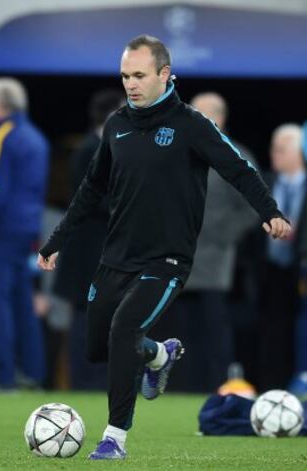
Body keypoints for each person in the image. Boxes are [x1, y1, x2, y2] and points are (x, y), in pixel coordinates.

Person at [37, 35, 290, 459]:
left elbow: (240, 169)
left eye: (138, 75)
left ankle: (114, 439)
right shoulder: (116, 124)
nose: (130, 84)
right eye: (124, 76)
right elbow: (90, 190)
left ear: (164, 75)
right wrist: (56, 241)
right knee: (98, 347)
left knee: (123, 331)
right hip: (116, 257)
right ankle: (157, 355)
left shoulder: (191, 124)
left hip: (167, 259)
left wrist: (271, 211)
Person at [156, 92, 259, 392]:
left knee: (214, 330)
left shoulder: (236, 155)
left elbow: (253, 207)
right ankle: (176, 388)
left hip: (214, 263)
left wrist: (220, 235)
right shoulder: (175, 150)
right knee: (176, 329)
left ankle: (216, 388)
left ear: (220, 118)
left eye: (201, 114)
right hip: (174, 259)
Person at [0, 78, 49, 391]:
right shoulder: (36, 138)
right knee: (21, 302)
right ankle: (32, 373)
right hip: (26, 231)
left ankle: (4, 377)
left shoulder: (3, 135)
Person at [52, 88, 125, 389]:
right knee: (85, 317)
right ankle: (84, 381)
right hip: (86, 253)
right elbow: (89, 199)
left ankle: (100, 379)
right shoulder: (88, 150)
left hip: (103, 249)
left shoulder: (109, 146)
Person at [257, 124, 307, 391]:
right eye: (273, 149)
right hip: (270, 269)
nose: (274, 155)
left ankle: (301, 380)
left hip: (300, 267)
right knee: (271, 331)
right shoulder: (264, 182)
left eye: (281, 149)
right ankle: (270, 387)